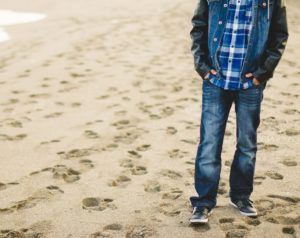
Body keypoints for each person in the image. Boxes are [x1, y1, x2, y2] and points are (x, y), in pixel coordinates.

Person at [189, 0, 288, 224]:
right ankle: (203, 203)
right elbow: (198, 26)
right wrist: (202, 67)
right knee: (209, 143)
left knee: (247, 143)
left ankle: (241, 196)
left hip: (250, 84)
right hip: (215, 81)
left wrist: (262, 74)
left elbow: (279, 36)